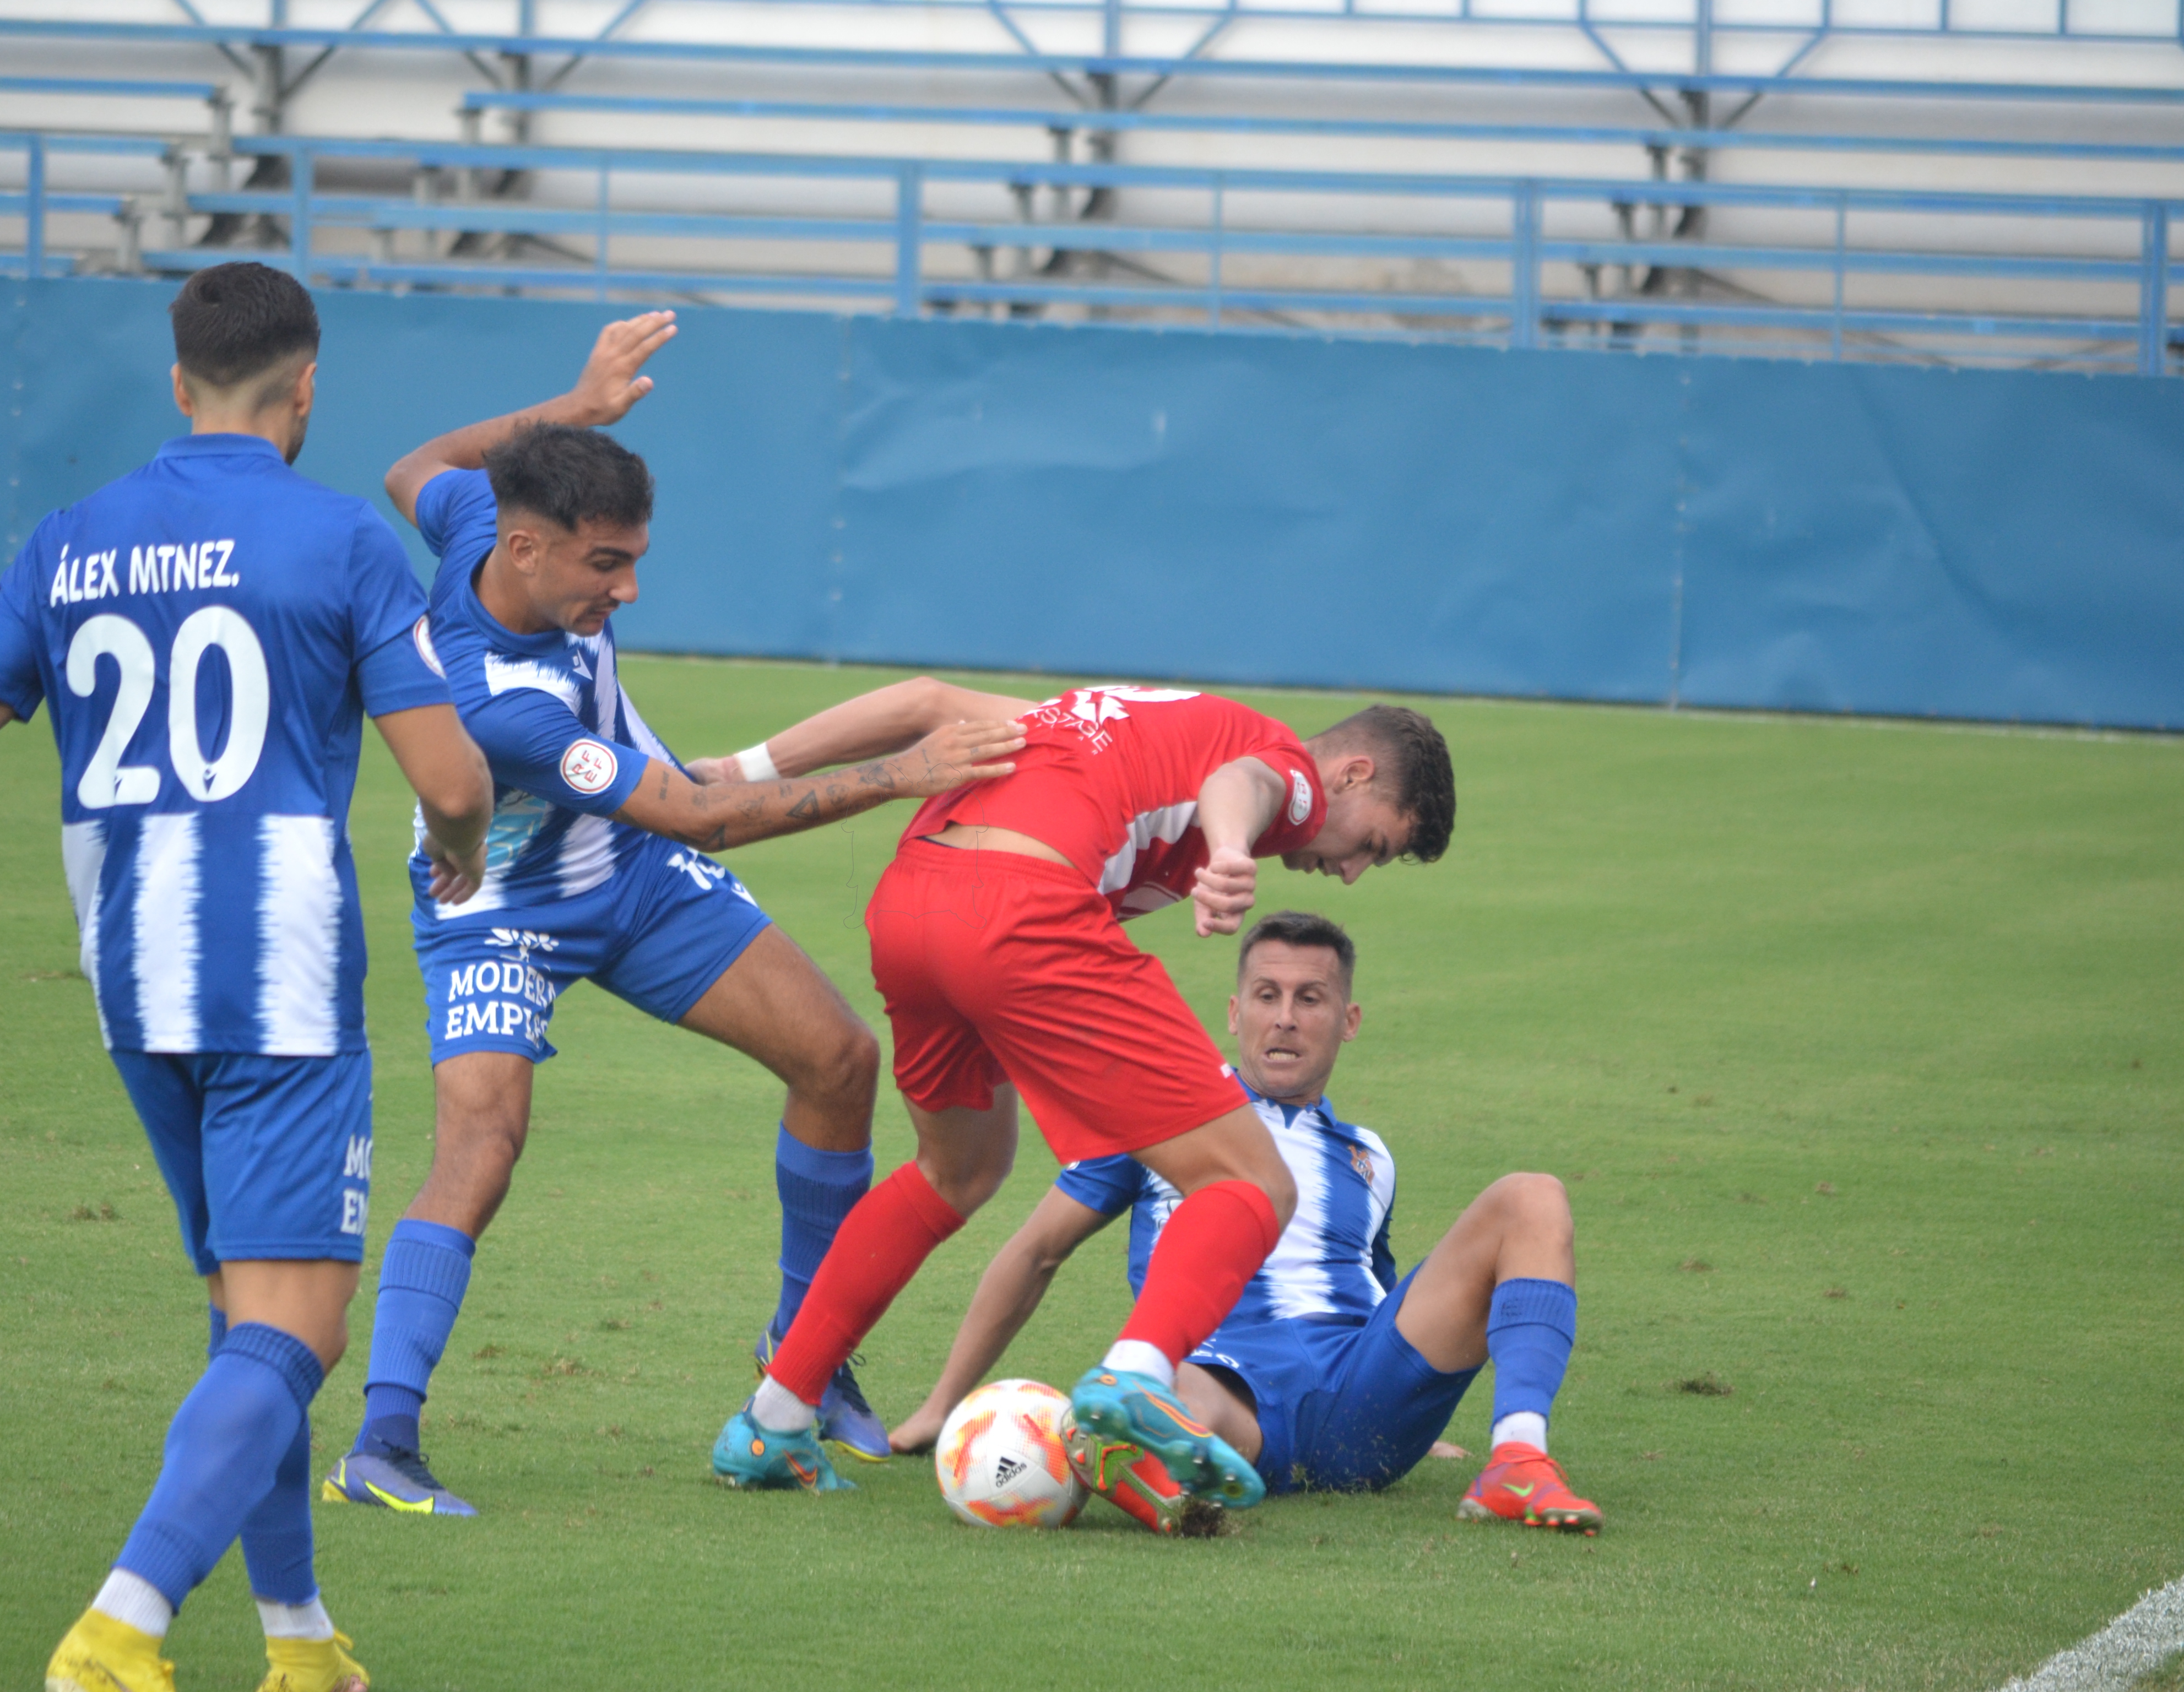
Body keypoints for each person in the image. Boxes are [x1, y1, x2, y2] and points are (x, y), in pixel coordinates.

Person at [0, 260, 494, 1692]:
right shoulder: (343, 540)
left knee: (247, 1318)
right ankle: (123, 1626)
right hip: (279, 975)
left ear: (178, 385)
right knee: (296, 1328)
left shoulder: (70, 541)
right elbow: (453, 776)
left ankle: (297, 1640)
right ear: (304, 393)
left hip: (131, 974)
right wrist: (462, 849)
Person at [323, 323, 1023, 1516]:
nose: (628, 589)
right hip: (501, 912)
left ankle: (802, 1358)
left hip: (630, 872)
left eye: (636, 559)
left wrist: (581, 407)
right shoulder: (500, 704)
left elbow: (415, 463)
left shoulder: (470, 521)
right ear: (528, 544)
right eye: (607, 563)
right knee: (479, 1154)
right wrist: (904, 774)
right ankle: (383, 1444)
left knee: (839, 1060)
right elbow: (705, 820)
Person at [705, 679, 1456, 1505]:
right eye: (1373, 847)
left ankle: (773, 1417)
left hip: (911, 907)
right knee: (1251, 1181)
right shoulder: (1290, 773)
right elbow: (1244, 785)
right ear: (1352, 775)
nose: (1348, 873)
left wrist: (743, 769)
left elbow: (923, 702)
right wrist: (1234, 848)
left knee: (958, 1170)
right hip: (1022, 909)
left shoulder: (1117, 717)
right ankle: (1136, 1376)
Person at [890, 910, 1601, 1535]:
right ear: (1236, 1013)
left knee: (1531, 1196)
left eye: (1310, 998)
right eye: (1268, 996)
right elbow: (1036, 1252)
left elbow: (1387, 1294)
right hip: (1230, 1385)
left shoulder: (1369, 1156)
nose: (1285, 1017)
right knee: (1147, 1401)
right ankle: (1154, 1466)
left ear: (1348, 1022)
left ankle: (1518, 1456)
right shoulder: (1159, 1122)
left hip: (1361, 1389)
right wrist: (941, 1404)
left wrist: (1417, 1416)